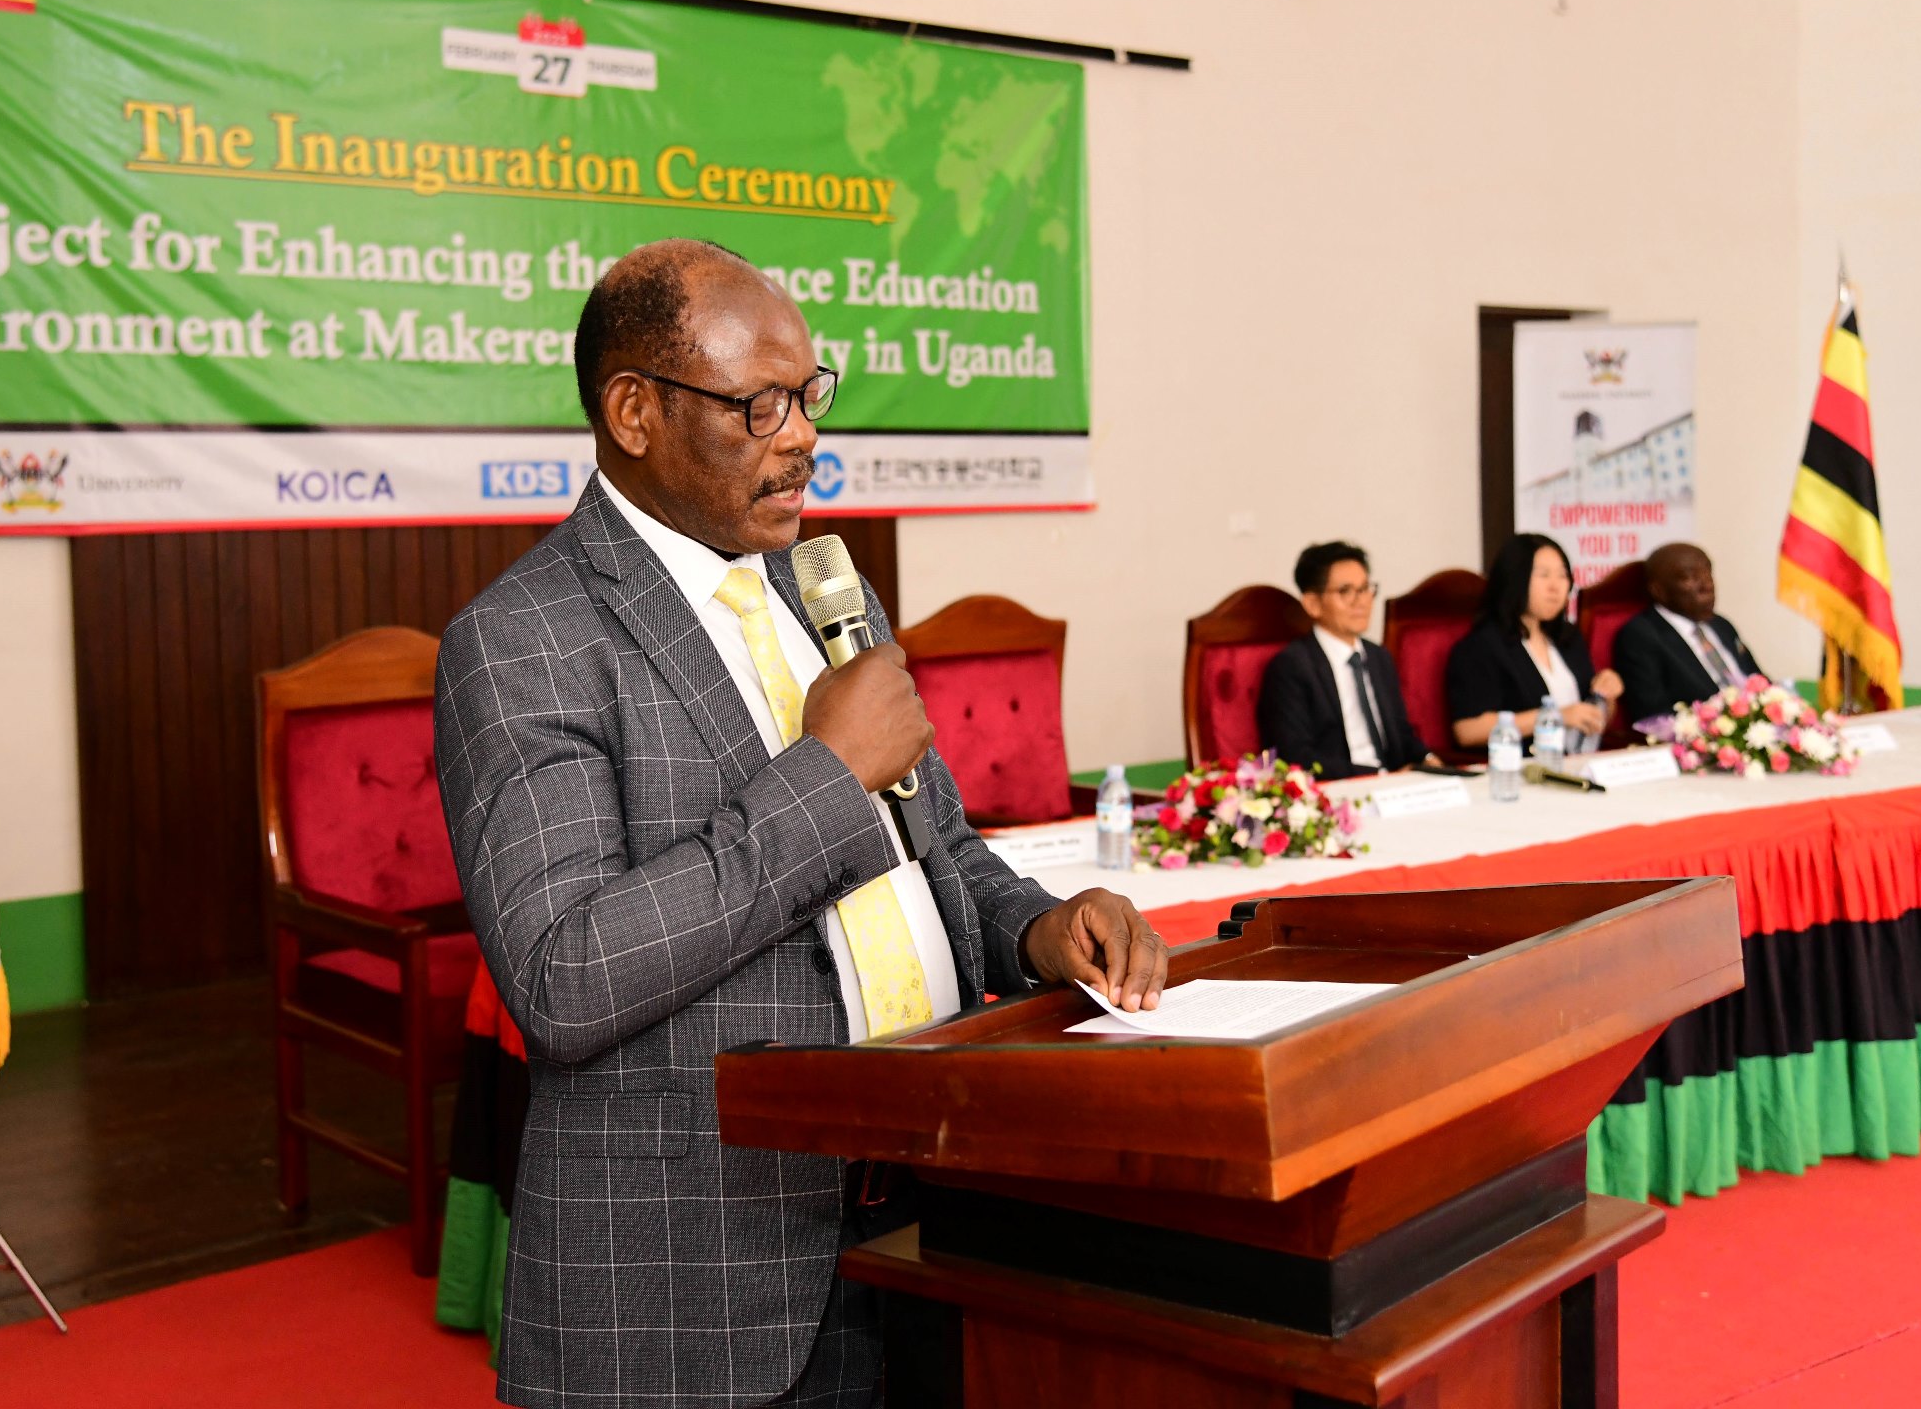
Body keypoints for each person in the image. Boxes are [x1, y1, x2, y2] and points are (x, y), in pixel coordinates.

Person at [434, 239, 1167, 1409]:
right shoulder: (525, 642)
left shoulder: (828, 588)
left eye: (811, 395)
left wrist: (1040, 930)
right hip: (703, 1277)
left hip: (924, 1214)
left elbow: (942, 861)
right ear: (634, 410)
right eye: (759, 404)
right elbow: (567, 974)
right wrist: (826, 774)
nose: (803, 436)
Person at [1257, 541, 1436, 778]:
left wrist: (1429, 760)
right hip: (1339, 788)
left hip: (1391, 785)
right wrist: (1379, 775)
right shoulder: (1292, 666)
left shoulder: (1379, 657)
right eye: (1345, 591)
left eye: (1364, 589)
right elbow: (1296, 756)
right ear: (1313, 604)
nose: (1361, 601)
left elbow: (1400, 734)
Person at [1443, 533, 1623, 751]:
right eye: (1544, 575)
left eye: (1562, 575)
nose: (1555, 587)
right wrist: (1555, 717)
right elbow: (1468, 730)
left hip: (1581, 761)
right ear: (1515, 578)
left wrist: (1606, 696)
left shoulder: (1568, 638)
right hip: (1524, 768)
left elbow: (1590, 719)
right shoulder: (1481, 647)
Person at [1610, 542, 1769, 725]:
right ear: (1658, 591)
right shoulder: (1640, 636)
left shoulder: (1721, 625)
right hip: (1707, 740)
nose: (1707, 584)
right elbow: (1654, 716)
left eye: (1708, 572)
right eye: (1689, 577)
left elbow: (1759, 681)